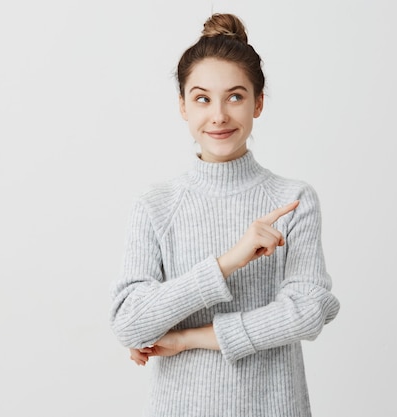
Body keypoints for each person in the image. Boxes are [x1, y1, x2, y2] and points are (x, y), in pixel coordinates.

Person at [109, 13, 340, 417]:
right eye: (202, 98)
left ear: (258, 103)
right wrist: (230, 261)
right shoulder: (156, 204)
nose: (218, 115)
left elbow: (306, 313)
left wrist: (190, 338)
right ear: (182, 105)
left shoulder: (293, 199)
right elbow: (130, 325)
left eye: (235, 96)